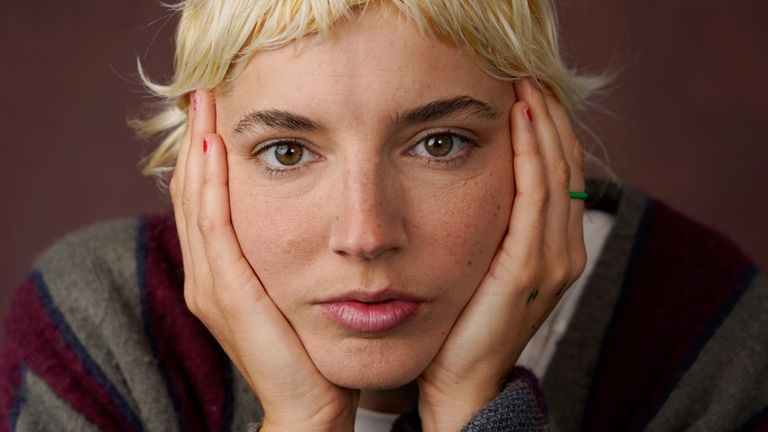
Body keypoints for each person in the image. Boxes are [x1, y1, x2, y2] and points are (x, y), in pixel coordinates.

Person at [1, 1, 766, 431]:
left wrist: (474, 406)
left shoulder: (709, 345)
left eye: (439, 143)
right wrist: (301, 421)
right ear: (203, 160)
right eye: (288, 152)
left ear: (540, 138)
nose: (365, 235)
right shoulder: (101, 330)